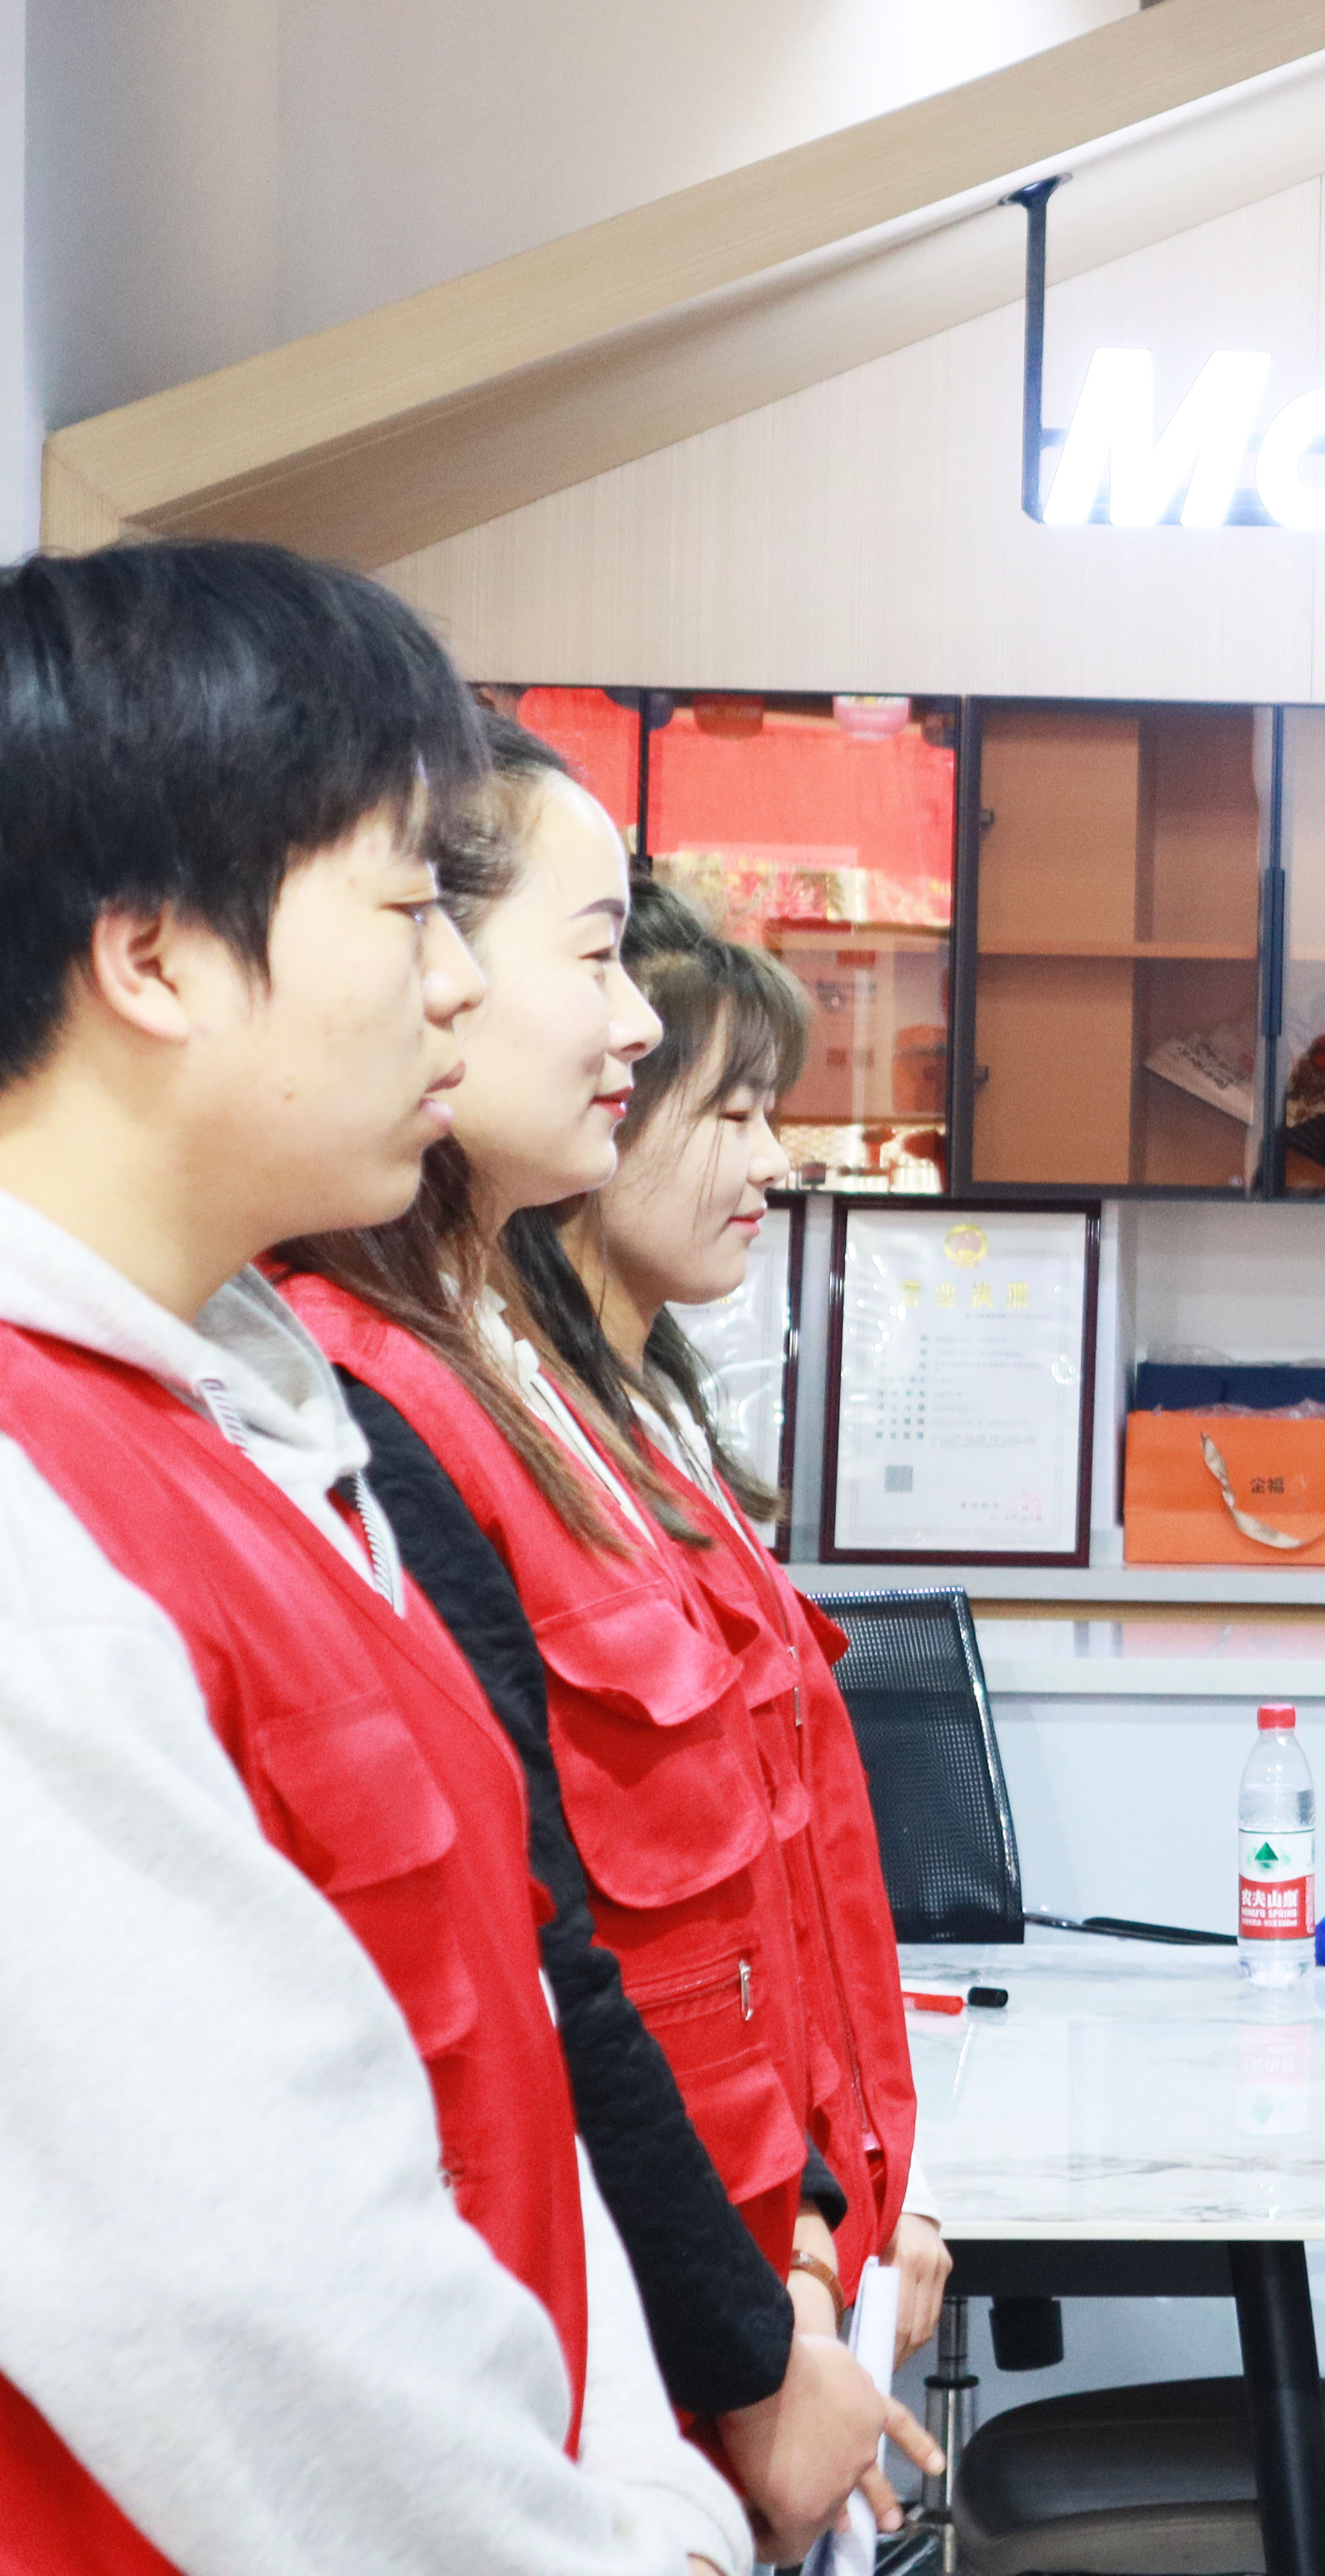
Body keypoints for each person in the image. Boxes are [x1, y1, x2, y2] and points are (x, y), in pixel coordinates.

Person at [0, 543, 743, 2573]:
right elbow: (245, 2296)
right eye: (406, 907)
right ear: (153, 958)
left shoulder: (220, 1412)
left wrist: (636, 2472)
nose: (456, 983)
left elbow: (480, 2048)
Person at [278, 718, 928, 2547]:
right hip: (635, 2343)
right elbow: (542, 1954)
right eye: (592, 954)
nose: (633, 1021)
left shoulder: (513, 1375)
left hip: (739, 2291)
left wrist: (825, 2229)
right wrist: (756, 2333)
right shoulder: (373, 1396)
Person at [501, 871, 946, 2351]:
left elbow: (787, 1894)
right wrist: (800, 2242)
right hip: (700, 2267)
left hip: (791, 2230)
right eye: (732, 1113)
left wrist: (872, 2184)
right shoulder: (499, 1432)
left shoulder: (653, 1420)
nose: (773, 1159)